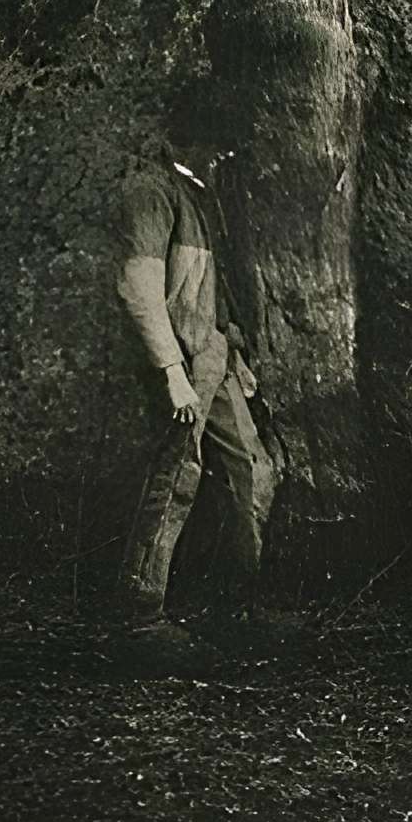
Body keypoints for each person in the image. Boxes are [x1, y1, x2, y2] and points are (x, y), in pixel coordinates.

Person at [110, 137, 278, 673]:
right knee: (178, 475)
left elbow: (212, 289)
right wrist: (171, 372)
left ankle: (242, 604)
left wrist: (233, 352)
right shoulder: (149, 189)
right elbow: (138, 289)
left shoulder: (200, 193)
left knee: (255, 467)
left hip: (213, 355)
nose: (225, 150)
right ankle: (140, 615)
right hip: (180, 360)